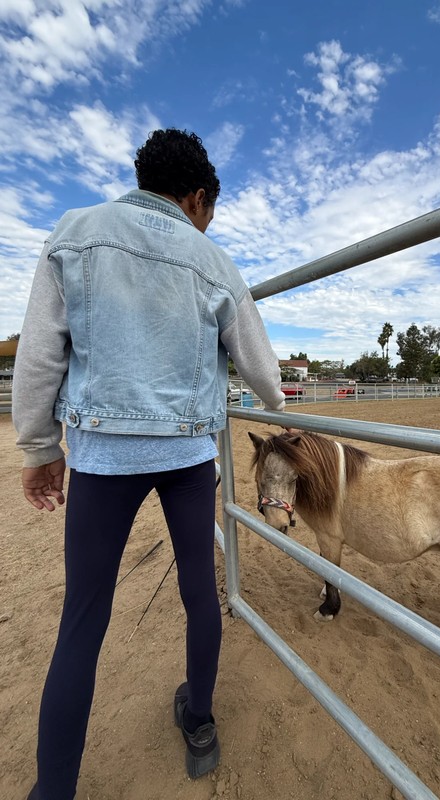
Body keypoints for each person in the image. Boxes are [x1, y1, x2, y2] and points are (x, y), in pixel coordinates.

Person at [12, 128, 286, 800]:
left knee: (82, 617)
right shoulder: (213, 260)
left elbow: (41, 355)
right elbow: (266, 376)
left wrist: (40, 449)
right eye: (209, 212)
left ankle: (54, 790)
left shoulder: (74, 232)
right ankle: (198, 722)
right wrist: (269, 397)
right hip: (189, 455)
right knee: (200, 591)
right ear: (196, 198)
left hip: (103, 455)